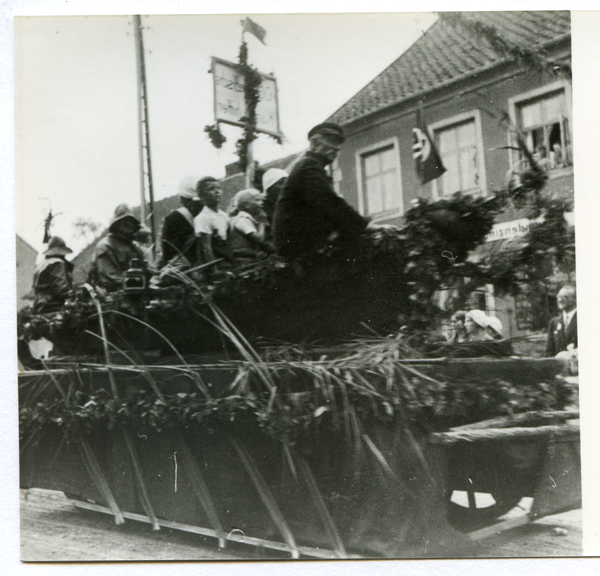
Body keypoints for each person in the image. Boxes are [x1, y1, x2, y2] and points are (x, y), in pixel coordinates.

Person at [273, 122, 369, 259]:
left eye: (338, 143)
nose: (336, 148)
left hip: (300, 243)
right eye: (331, 141)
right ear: (314, 144)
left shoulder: (312, 167)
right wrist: (365, 226)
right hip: (298, 246)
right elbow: (328, 201)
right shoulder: (308, 166)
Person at [88, 204, 147, 293]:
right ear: (116, 224)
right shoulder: (105, 246)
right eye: (124, 221)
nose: (129, 224)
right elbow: (110, 279)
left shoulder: (134, 247)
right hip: (113, 295)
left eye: (131, 221)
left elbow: (146, 269)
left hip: (136, 291)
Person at [159, 181, 204, 269]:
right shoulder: (212, 211)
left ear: (184, 195)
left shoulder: (173, 217)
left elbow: (167, 252)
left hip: (185, 271)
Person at [228, 189, 273, 266]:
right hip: (243, 262)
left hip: (248, 260)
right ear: (247, 205)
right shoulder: (242, 219)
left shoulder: (246, 219)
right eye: (257, 200)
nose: (261, 202)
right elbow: (260, 239)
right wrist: (262, 221)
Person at [194, 176, 232, 267]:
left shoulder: (224, 216)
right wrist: (215, 271)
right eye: (211, 189)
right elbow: (206, 248)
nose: (217, 191)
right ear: (202, 196)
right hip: (218, 266)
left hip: (229, 262)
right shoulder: (203, 218)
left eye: (218, 188)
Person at [32, 236, 74, 313]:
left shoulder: (40, 265)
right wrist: (72, 299)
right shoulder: (57, 263)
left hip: (39, 306)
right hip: (53, 306)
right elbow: (61, 289)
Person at [545, 284, 577, 357]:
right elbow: (549, 353)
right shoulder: (554, 322)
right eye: (558, 297)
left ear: (575, 299)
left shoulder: (584, 319)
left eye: (565, 297)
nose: (560, 300)